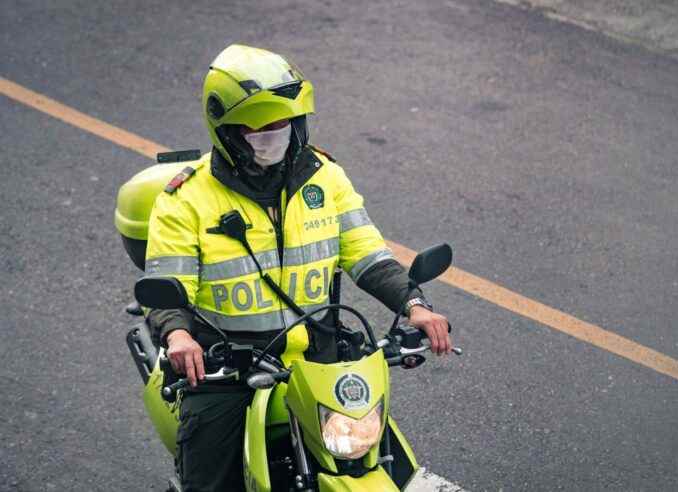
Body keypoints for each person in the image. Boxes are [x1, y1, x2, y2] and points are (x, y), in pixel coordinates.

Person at [143, 44, 452, 491]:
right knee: (209, 482)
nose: (275, 133)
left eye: (282, 122)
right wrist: (179, 335)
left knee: (387, 462)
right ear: (227, 129)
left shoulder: (324, 178)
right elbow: (167, 287)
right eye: (260, 126)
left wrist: (414, 304)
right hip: (228, 371)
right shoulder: (185, 199)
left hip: (319, 358)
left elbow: (366, 253)